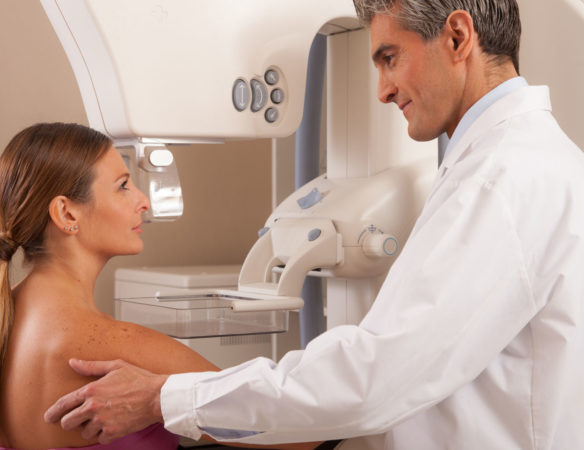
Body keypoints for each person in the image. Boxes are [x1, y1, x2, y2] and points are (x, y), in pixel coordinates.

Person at [43, 0, 584, 448]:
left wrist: (166, 398)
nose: (382, 89)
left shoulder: (501, 179)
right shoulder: (517, 162)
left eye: (390, 58)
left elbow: (377, 378)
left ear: (459, 37)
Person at [0, 123, 319, 450]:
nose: (143, 201)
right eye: (123, 185)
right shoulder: (121, 350)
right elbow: (293, 433)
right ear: (67, 213)